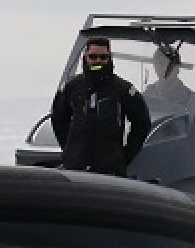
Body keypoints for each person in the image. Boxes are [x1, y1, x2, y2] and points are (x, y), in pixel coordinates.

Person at [50, 37, 152, 176]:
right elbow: (58, 118)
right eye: (93, 57)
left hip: (109, 169)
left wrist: (125, 156)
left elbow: (142, 122)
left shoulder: (123, 89)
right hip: (75, 167)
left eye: (103, 57)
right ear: (85, 57)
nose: (98, 61)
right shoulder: (71, 87)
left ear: (109, 58)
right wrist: (70, 149)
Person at [142, 44, 193, 119]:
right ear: (155, 66)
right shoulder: (147, 95)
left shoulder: (190, 99)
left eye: (169, 64)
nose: (165, 68)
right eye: (160, 63)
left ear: (178, 68)